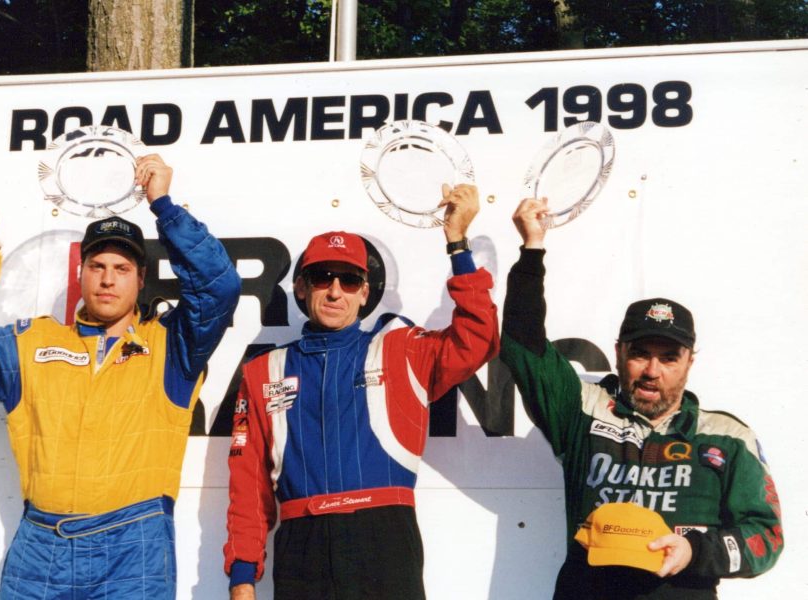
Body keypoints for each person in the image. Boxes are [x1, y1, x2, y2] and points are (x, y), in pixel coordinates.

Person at [0, 154, 241, 599]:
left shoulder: (172, 347)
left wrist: (163, 205)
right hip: (40, 545)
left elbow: (219, 288)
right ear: (81, 272)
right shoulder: (30, 344)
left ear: (141, 279)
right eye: (98, 266)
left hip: (135, 547)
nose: (108, 279)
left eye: (122, 269)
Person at [224, 184, 499, 600]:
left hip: (384, 540)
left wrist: (458, 244)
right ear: (301, 288)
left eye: (349, 280)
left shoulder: (400, 348)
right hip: (302, 543)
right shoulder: (263, 371)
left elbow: (477, 338)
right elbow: (248, 485)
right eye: (322, 278)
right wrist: (243, 575)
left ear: (365, 293)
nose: (335, 291)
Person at [500, 198, 783, 599]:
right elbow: (522, 346)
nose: (653, 370)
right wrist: (532, 248)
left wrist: (693, 551)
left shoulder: (728, 436)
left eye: (669, 358)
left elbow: (766, 537)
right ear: (618, 353)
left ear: (689, 362)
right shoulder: (581, 410)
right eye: (640, 354)